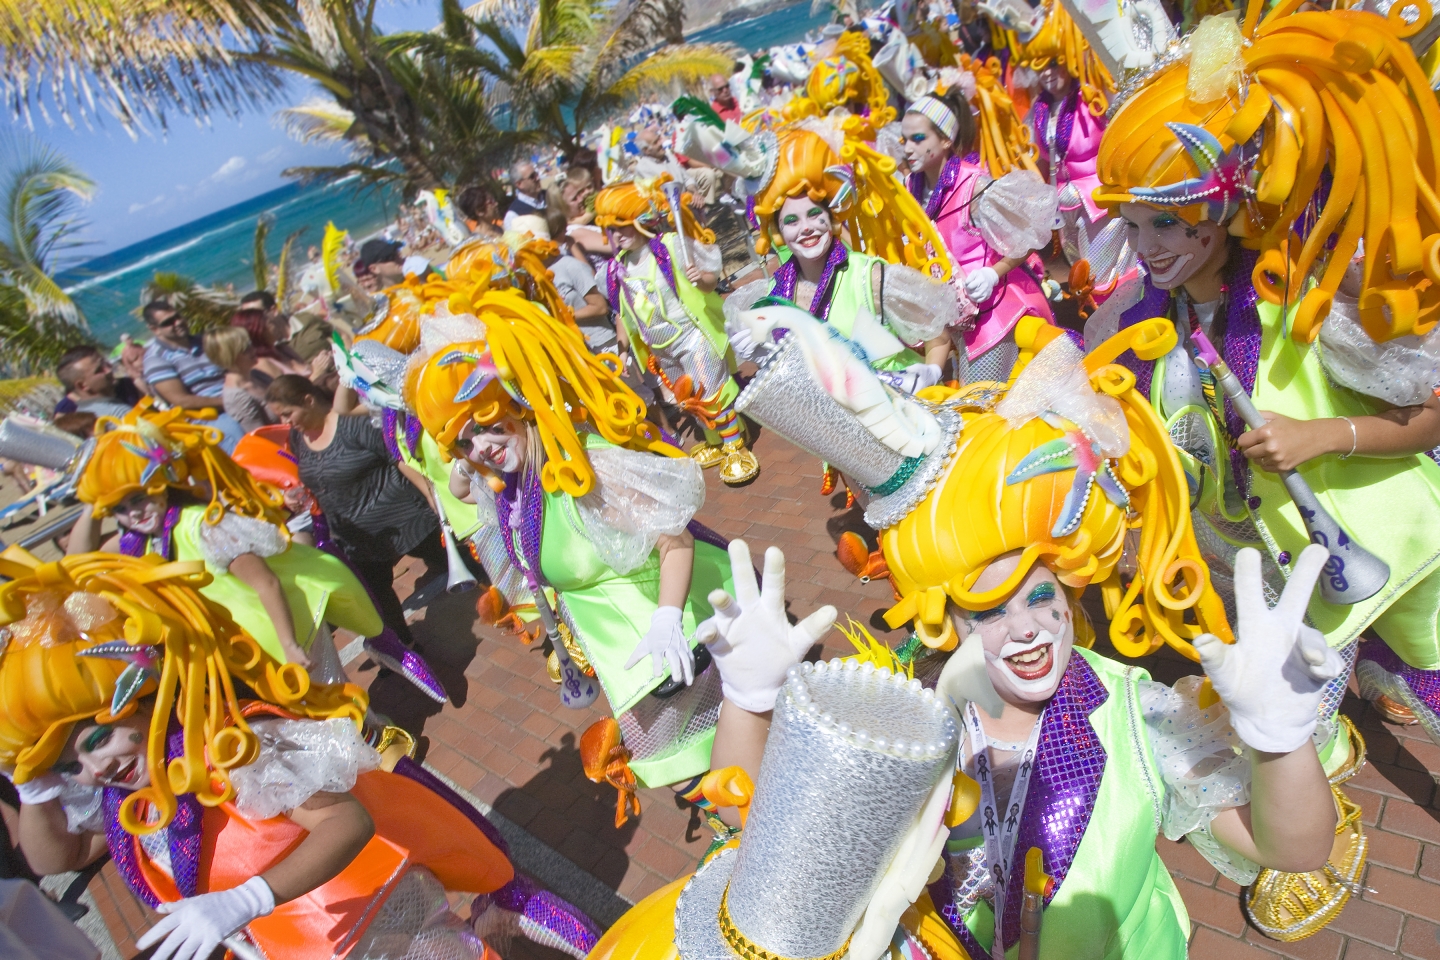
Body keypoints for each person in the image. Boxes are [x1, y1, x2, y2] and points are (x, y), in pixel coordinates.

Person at [616, 318, 1341, 960]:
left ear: (1071, 588)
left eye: (1040, 596)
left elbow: (1294, 849)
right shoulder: (907, 720)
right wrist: (747, 700)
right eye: (987, 611)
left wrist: (1280, 742)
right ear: (946, 617)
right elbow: (755, 830)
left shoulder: (1137, 713)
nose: (1024, 628)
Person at [1091, 8, 1440, 759]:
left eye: (1166, 223)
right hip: (1274, 582)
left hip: (1389, 544)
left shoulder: (1311, 297)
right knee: (1291, 751)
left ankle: (1387, 666)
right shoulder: (1143, 316)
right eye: (1132, 225)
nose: (1145, 247)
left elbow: (1430, 421)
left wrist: (1322, 436)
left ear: (1218, 209)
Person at [0, 551, 601, 960]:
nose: (96, 769)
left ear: (143, 698)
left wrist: (246, 900)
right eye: (69, 766)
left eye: (99, 739)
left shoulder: (231, 745)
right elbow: (57, 858)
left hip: (376, 918)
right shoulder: (126, 796)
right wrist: (35, 787)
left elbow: (346, 821)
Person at [406, 289, 734, 789]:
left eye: (489, 427)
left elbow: (675, 541)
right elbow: (461, 488)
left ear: (521, 404)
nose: (483, 449)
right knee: (691, 776)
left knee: (707, 770)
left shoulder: (587, 467)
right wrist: (462, 449)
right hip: (627, 653)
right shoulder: (516, 480)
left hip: (676, 640)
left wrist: (668, 620)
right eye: (465, 442)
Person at [66, 404, 380, 683]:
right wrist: (92, 501)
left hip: (285, 630)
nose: (133, 513)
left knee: (336, 705)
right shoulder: (141, 543)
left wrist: (289, 644)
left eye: (138, 498)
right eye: (118, 509)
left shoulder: (203, 525)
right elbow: (75, 562)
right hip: (243, 650)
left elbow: (266, 583)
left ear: (161, 486)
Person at [725, 127, 958, 391]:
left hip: (901, 407)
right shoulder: (775, 294)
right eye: (791, 221)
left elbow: (937, 334)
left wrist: (930, 372)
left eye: (815, 214)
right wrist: (766, 357)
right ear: (778, 232)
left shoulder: (868, 277)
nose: (806, 228)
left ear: (832, 218)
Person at [594, 176, 760, 484]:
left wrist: (702, 279)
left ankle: (735, 444)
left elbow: (709, 282)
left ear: (640, 219)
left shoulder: (670, 247)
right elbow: (622, 314)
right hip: (661, 347)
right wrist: (623, 351)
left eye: (621, 225)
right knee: (688, 395)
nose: (616, 235)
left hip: (692, 334)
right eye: (610, 229)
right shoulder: (615, 269)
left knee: (711, 390)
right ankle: (715, 441)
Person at [265, 374, 447, 654]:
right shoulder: (297, 437)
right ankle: (404, 648)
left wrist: (430, 494)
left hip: (404, 519)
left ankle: (502, 594)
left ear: (308, 400)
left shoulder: (352, 423)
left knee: (452, 558)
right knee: (377, 596)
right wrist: (296, 495)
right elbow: (317, 476)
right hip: (357, 539)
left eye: (288, 413)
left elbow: (398, 458)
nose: (286, 421)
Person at [901, 89, 1060, 383]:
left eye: (918, 139)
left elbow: (1029, 236)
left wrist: (992, 274)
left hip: (995, 312)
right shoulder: (910, 186)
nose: (908, 149)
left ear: (946, 140)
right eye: (904, 140)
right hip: (951, 315)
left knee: (980, 401)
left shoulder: (975, 186)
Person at [1019, 0, 1133, 286]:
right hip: (1063, 209)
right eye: (1039, 65)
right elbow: (1039, 161)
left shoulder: (1094, 96)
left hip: (1098, 203)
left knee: (1101, 275)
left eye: (1054, 62)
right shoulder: (1039, 109)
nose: (1047, 73)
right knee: (1081, 277)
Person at [138, 300, 247, 451]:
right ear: (155, 329)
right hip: (206, 416)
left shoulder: (203, 341)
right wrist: (229, 401)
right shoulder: (156, 359)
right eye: (168, 322)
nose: (177, 323)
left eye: (178, 316)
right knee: (236, 432)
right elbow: (181, 401)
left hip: (237, 396)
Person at [202, 326, 277, 432]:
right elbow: (260, 436)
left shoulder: (256, 374)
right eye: (245, 349)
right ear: (230, 356)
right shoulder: (237, 398)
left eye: (250, 344)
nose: (253, 350)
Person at [53, 346, 141, 419]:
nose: (109, 370)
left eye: (105, 363)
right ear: (82, 386)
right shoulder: (117, 413)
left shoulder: (85, 417)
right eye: (99, 370)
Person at [504, 160, 547, 232]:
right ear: (519, 184)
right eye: (532, 177)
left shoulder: (550, 195)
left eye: (536, 174)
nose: (538, 178)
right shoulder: (514, 215)